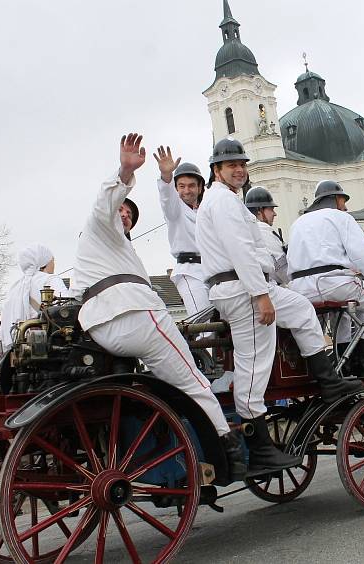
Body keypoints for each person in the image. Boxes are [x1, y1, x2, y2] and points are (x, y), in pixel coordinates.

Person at [69, 133, 245, 481]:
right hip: (136, 314)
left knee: (171, 375)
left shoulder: (106, 250)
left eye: (129, 213)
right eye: (122, 209)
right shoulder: (99, 226)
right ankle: (229, 450)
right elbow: (105, 204)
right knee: (194, 381)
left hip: (101, 325)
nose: (125, 215)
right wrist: (124, 170)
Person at [195, 138, 362, 477]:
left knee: (301, 309)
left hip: (239, 286)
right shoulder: (224, 202)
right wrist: (260, 294)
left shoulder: (224, 200)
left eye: (242, 164)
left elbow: (251, 247)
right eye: (232, 165)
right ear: (217, 170)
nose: (239, 169)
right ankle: (259, 450)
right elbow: (241, 250)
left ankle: (328, 380)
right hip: (243, 289)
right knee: (253, 368)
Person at [287, 180, 364, 375]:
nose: (345, 206)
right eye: (343, 200)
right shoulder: (340, 217)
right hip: (332, 283)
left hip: (300, 289)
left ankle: (343, 360)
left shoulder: (297, 223)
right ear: (335, 199)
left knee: (344, 311)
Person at [153, 147, 211, 319]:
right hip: (190, 272)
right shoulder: (174, 209)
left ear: (200, 188)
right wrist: (166, 176)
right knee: (204, 326)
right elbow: (166, 197)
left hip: (212, 269)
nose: (187, 190)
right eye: (182, 186)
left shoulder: (206, 210)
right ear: (176, 188)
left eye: (192, 185)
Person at [0, 244, 69, 350]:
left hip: (20, 347)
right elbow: (67, 307)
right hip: (50, 344)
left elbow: (2, 327)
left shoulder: (14, 288)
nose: (54, 264)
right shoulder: (50, 279)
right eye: (52, 261)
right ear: (43, 262)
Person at [244, 186, 289, 286]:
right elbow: (281, 266)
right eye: (271, 209)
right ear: (259, 210)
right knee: (303, 301)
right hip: (268, 285)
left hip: (255, 285)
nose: (274, 214)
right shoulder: (262, 229)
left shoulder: (247, 229)